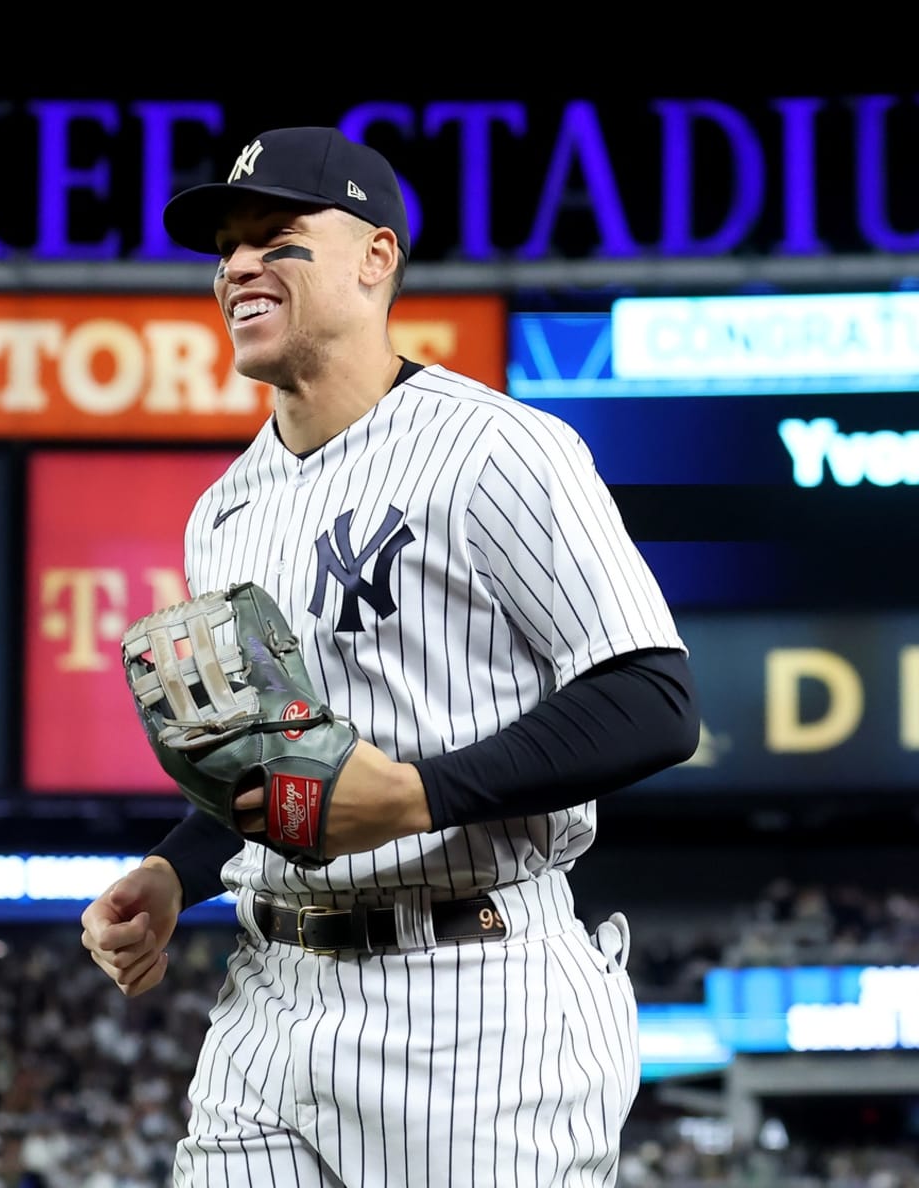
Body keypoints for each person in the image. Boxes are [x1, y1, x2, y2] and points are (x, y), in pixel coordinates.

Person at [81, 125, 700, 1187]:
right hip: (270, 996)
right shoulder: (223, 513)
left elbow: (653, 698)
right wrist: (177, 874)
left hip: (474, 1002)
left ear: (377, 258)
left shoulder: (499, 449)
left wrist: (416, 794)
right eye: (226, 248)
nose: (237, 267)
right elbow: (280, 761)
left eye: (276, 238)